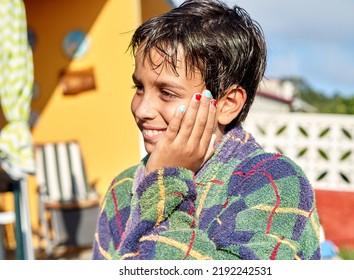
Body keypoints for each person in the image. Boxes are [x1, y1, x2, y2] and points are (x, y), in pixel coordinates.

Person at [92, 0, 321, 260]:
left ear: (227, 104)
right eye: (139, 88)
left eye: (167, 93)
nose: (142, 109)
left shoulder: (273, 183)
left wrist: (167, 182)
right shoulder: (123, 187)